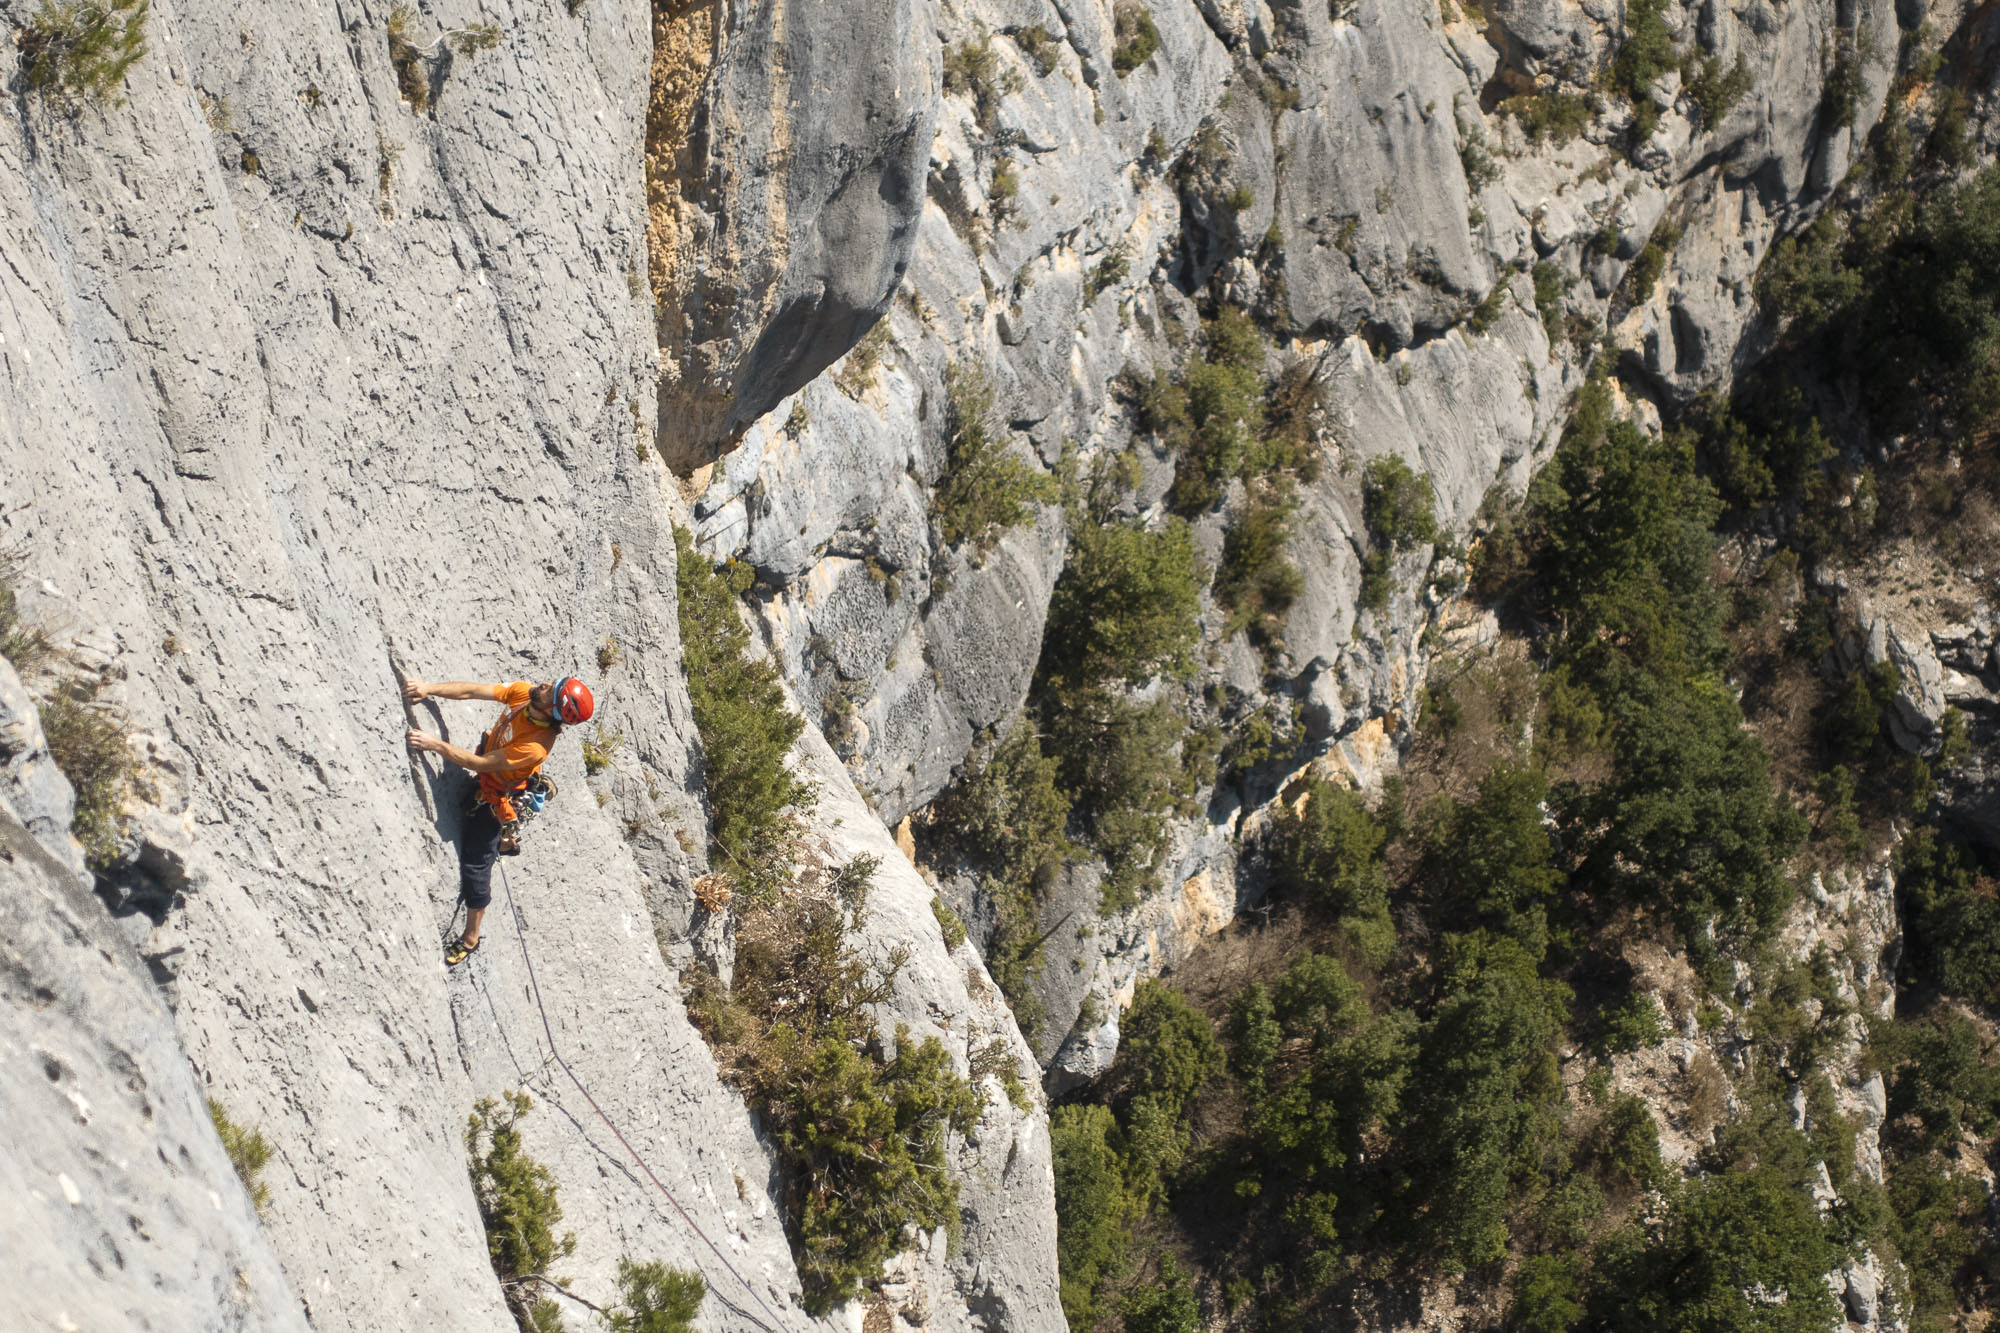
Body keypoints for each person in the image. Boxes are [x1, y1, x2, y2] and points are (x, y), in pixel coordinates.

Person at [404, 676, 595, 966]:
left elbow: (479, 763)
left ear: (552, 710)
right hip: (487, 781)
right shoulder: (524, 694)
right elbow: (472, 689)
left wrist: (435, 745)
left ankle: (471, 937)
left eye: (550, 689)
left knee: (476, 865)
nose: (543, 683)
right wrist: (427, 689)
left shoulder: (536, 746)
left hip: (496, 798)